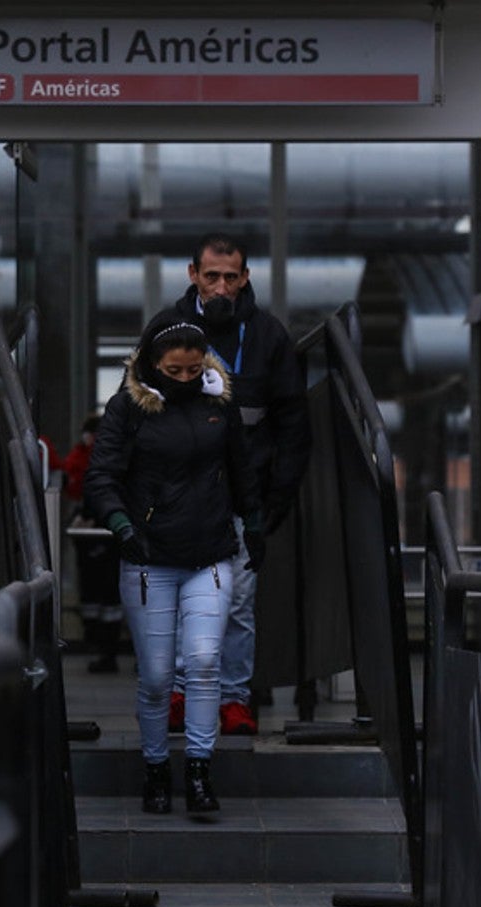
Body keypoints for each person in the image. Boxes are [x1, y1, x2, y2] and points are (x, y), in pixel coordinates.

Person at [84, 314, 263, 816]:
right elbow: (101, 477)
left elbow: (242, 469)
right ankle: (156, 767)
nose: (183, 379)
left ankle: (200, 771)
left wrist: (256, 523)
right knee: (159, 676)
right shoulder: (127, 409)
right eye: (173, 371)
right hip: (148, 557)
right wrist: (121, 526)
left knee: (205, 663)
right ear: (151, 365)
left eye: (191, 370)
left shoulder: (219, 406)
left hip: (210, 552)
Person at [164, 232, 311, 735]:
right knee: (185, 600)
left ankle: (233, 700)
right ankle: (183, 694)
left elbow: (294, 428)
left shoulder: (269, 338)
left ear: (245, 278)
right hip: (179, 500)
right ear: (194, 275)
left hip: (245, 503)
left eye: (231, 277)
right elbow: (138, 414)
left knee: (239, 604)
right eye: (212, 276)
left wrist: (273, 507)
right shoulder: (165, 331)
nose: (221, 287)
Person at [63, 412, 124, 673]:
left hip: (102, 527)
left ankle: (105, 648)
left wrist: (87, 516)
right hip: (96, 527)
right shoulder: (87, 455)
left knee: (106, 591)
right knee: (97, 590)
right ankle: (100, 644)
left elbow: (94, 488)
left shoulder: (102, 458)